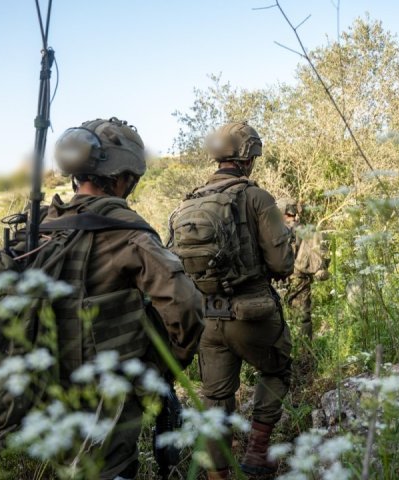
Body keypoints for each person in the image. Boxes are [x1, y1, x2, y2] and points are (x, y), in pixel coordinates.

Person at [50, 117, 205, 479]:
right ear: (123, 177)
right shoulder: (127, 232)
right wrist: (164, 366)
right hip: (107, 393)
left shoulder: (43, 226)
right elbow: (186, 306)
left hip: (45, 385)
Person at [169, 121, 294, 479]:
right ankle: (257, 453)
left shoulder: (187, 203)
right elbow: (281, 263)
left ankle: (217, 475)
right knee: (277, 369)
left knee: (215, 399)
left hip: (207, 319)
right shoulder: (256, 197)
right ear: (247, 157)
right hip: (253, 313)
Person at [276, 198, 329, 342]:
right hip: (300, 280)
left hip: (280, 280)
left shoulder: (275, 230)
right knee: (303, 319)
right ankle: (303, 350)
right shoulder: (306, 230)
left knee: (280, 319)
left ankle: (287, 349)